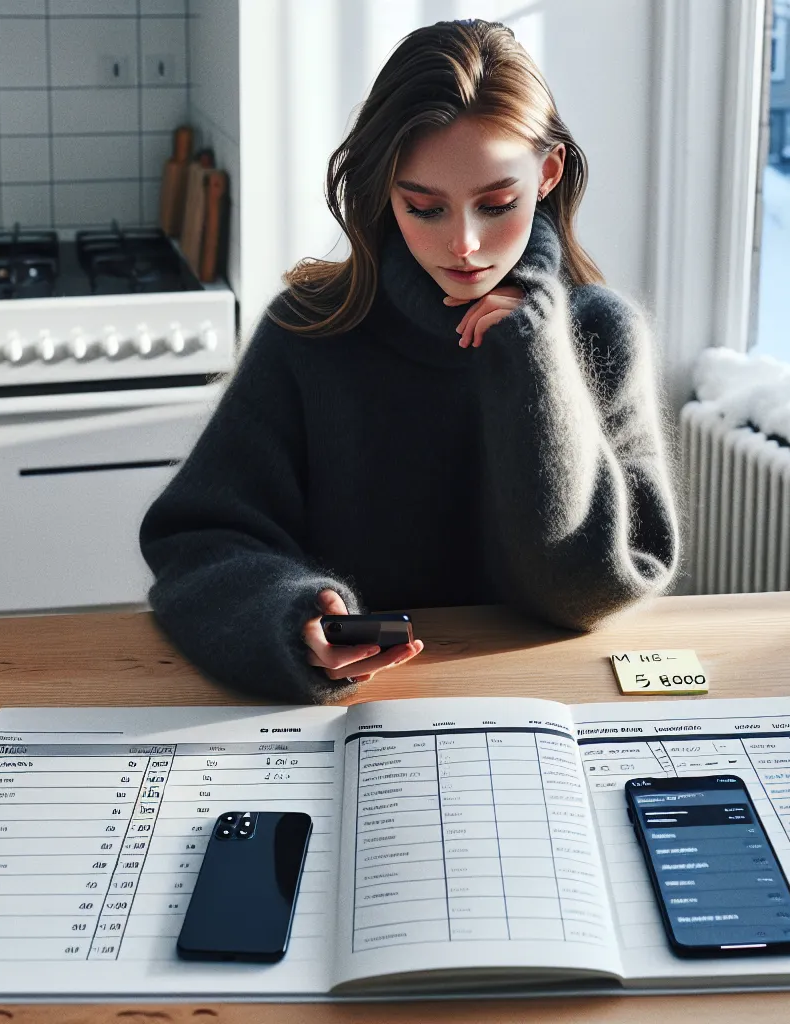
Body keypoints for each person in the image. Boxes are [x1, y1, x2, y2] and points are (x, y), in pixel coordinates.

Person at [140, 18, 679, 703]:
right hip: (350, 720)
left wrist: (534, 357)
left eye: (496, 204)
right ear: (384, 188)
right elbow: (199, 539)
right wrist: (290, 619)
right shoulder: (311, 331)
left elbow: (589, 592)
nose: (464, 244)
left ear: (547, 174)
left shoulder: (602, 334)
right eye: (424, 207)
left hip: (549, 707)